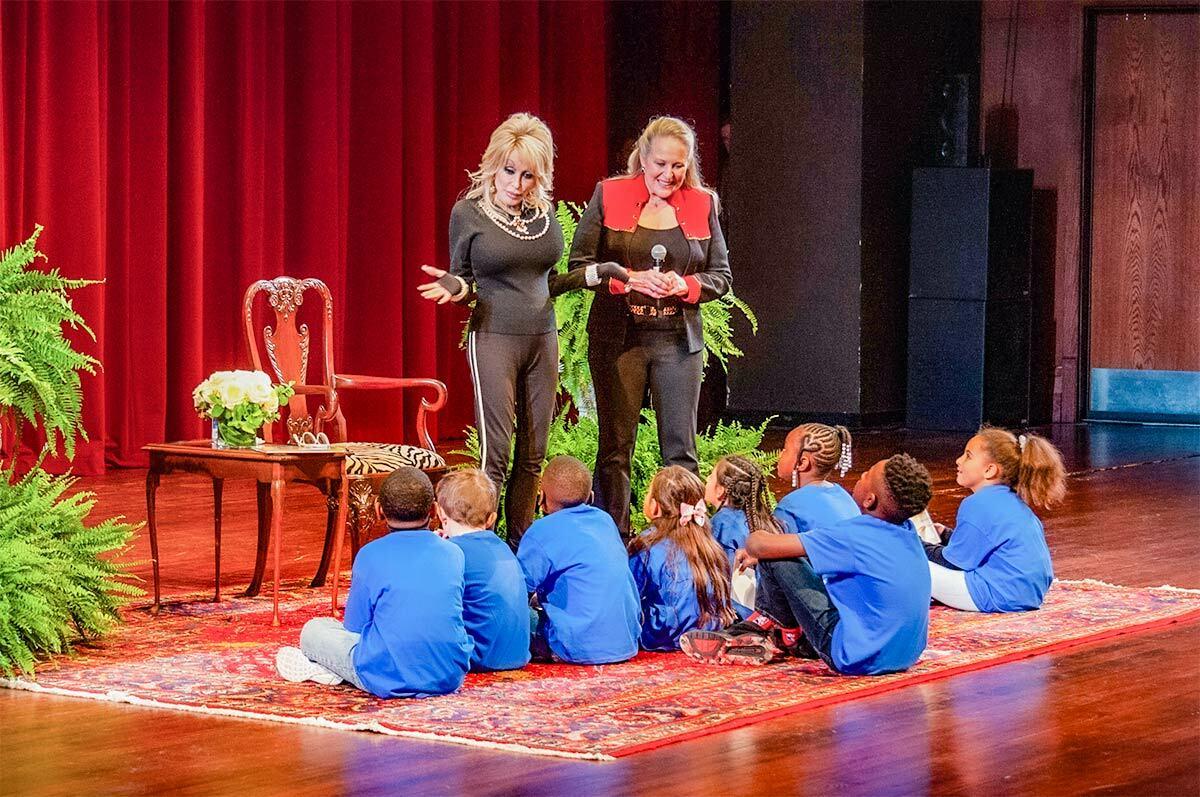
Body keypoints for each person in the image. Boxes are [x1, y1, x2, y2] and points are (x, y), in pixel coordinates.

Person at [417, 113, 625, 549]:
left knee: (532, 456)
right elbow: (464, 277)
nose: (516, 182)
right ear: (494, 164)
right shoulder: (468, 213)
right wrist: (453, 286)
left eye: (528, 174)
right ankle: (483, 547)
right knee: (498, 453)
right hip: (494, 336)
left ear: (540, 174)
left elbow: (546, 283)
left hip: (541, 338)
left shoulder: (544, 213)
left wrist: (594, 275)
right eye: (509, 171)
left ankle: (519, 546)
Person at [567, 116, 732, 537]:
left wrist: (686, 284)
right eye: (659, 164)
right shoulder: (609, 194)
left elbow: (721, 276)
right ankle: (614, 539)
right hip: (619, 340)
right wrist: (624, 278)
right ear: (642, 158)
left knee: (680, 448)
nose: (667, 175)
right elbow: (578, 266)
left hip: (677, 341)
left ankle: (684, 541)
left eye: (677, 166)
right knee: (615, 448)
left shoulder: (702, 202)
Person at [681, 454, 934, 677]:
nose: (861, 475)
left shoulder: (854, 535)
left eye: (866, 475)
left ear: (869, 500)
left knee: (777, 555)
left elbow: (760, 545)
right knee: (790, 556)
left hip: (854, 655)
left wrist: (757, 546)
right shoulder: (906, 530)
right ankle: (775, 631)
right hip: (905, 654)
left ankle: (778, 633)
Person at [274, 467, 471, 697]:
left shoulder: (369, 555)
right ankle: (333, 670)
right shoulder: (454, 553)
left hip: (386, 677)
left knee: (313, 630)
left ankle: (331, 671)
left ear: (378, 511)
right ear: (434, 510)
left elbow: (354, 627)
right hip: (449, 675)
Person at [923, 427, 1066, 612]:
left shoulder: (977, 504)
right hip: (1029, 594)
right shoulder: (1012, 501)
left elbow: (953, 563)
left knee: (906, 560)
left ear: (990, 470)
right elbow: (985, 545)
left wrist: (913, 543)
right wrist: (946, 535)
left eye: (968, 456)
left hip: (998, 594)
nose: (958, 460)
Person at [516, 455, 640, 664]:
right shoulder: (605, 521)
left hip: (574, 646)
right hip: (626, 641)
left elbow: (518, 589)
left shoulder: (541, 531)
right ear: (590, 497)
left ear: (541, 499)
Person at [628, 466, 736, 651]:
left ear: (655, 506)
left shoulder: (647, 544)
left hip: (665, 634)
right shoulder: (709, 542)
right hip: (712, 627)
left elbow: (630, 593)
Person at [435, 468, 530, 671]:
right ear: (492, 519)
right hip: (518, 653)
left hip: (477, 656)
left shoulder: (450, 553)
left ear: (440, 512)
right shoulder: (503, 548)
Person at [705, 455, 782, 618]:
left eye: (711, 476)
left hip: (740, 616)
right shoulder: (766, 521)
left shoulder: (723, 524)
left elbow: (725, 583)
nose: (707, 479)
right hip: (768, 613)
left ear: (721, 490)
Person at [772, 423, 859, 536]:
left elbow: (776, 547)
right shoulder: (843, 494)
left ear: (802, 463)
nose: (779, 454)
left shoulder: (790, 506)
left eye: (785, 449)